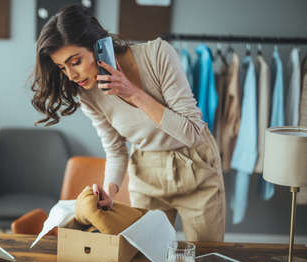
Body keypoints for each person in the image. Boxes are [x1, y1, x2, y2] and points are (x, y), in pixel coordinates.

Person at [30, 5, 225, 242]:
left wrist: (133, 93)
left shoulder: (157, 55)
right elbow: (115, 149)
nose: (71, 75)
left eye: (76, 61)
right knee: (146, 258)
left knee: (204, 260)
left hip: (197, 168)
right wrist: (110, 191)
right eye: (62, 67)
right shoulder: (87, 94)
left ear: (98, 46)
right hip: (146, 174)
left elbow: (192, 133)